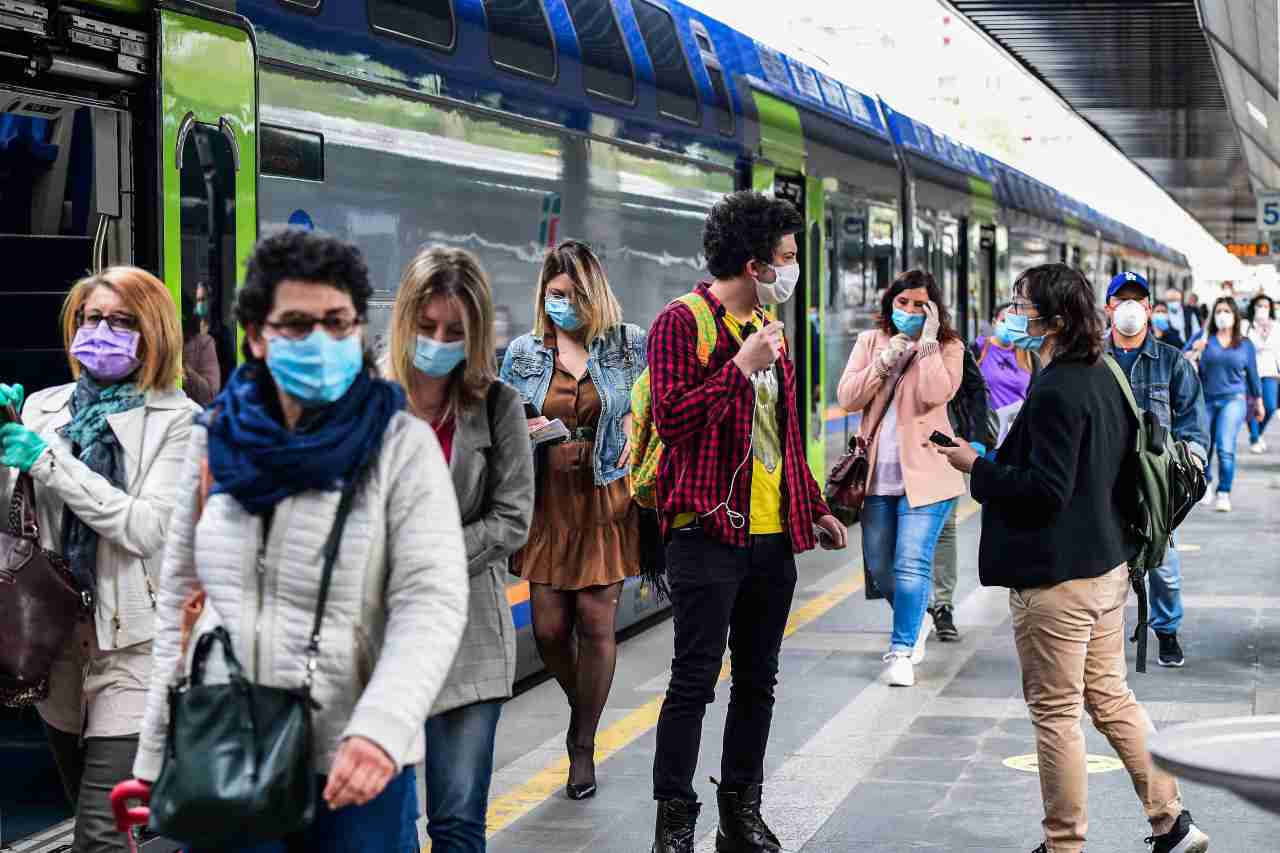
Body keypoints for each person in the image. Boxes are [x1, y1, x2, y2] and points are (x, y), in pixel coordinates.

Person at [132, 230, 470, 852]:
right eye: (296, 324)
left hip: (354, 764)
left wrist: (382, 729)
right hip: (229, 749)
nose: (321, 341)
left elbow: (432, 603)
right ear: (257, 336)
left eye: (338, 323)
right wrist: (155, 754)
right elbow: (178, 601)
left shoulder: (399, 446)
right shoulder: (214, 441)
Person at [935, 263, 1210, 853]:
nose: (1014, 315)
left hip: (1058, 577)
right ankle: (1173, 822)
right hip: (1105, 567)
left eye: (1023, 305)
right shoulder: (1103, 371)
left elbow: (1046, 489)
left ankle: (1063, 845)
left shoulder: (1060, 388)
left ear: (1055, 319)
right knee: (1110, 698)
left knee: (1056, 713)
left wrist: (976, 468)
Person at [646, 190, 845, 853]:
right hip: (705, 530)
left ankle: (741, 812)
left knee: (758, 679)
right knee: (693, 681)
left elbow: (783, 433)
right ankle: (675, 821)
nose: (791, 270)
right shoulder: (682, 323)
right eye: (786, 258)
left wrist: (812, 505)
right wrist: (737, 368)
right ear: (755, 260)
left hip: (769, 539)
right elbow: (671, 420)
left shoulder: (769, 325)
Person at [0, 266, 199, 853]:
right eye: (92, 319)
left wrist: (48, 459)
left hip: (134, 648)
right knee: (100, 821)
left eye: (121, 321)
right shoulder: (44, 407)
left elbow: (144, 527)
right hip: (51, 645)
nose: (102, 331)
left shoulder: (179, 421)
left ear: (152, 333)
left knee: (99, 834)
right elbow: (13, 521)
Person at [382, 246, 535, 852]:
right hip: (377, 641)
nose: (439, 342)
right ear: (404, 321)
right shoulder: (364, 400)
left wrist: (427, 556)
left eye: (455, 331)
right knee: (383, 827)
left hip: (467, 635)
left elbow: (512, 519)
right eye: (427, 328)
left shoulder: (497, 405)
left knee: (456, 821)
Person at [500, 239, 646, 801]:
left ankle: (581, 745)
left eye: (572, 295)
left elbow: (650, 402)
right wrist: (527, 429)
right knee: (549, 629)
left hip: (605, 494)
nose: (561, 304)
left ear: (594, 294)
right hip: (548, 497)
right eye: (553, 294)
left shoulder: (628, 346)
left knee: (595, 623)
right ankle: (582, 704)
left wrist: (635, 423)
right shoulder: (524, 352)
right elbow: (504, 415)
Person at [839, 269, 965, 687]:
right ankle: (921, 618)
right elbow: (847, 397)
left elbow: (935, 394)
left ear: (934, 310)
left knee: (912, 562)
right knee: (879, 566)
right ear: (890, 304)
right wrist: (883, 361)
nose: (909, 311)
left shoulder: (949, 347)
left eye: (919, 305)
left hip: (928, 476)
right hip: (876, 476)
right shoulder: (870, 342)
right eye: (903, 303)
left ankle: (902, 650)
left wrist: (926, 346)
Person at [1104, 271, 1209, 669]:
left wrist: (1186, 468)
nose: (1130, 307)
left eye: (1138, 300)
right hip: (1104, 476)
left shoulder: (1172, 362)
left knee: (1162, 564)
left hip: (1156, 481)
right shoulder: (1092, 360)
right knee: (1102, 563)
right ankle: (1104, 636)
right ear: (1108, 307)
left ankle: (1166, 630)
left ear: (1150, 308)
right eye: (1121, 299)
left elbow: (1194, 425)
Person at [927, 331, 992, 643]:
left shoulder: (952, 346)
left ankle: (942, 605)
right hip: (899, 453)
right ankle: (916, 603)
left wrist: (976, 435)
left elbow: (975, 389)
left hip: (944, 446)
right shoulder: (885, 344)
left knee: (946, 528)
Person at [1185, 297, 1263, 512]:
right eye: (1219, 311)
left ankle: (1224, 491)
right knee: (1203, 446)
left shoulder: (1245, 344)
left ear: (1235, 315)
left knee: (1225, 445)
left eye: (1227, 311)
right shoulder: (1204, 338)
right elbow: (1180, 362)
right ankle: (1206, 483)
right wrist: (1195, 350)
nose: (1222, 315)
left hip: (1234, 400)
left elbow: (1253, 376)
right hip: (1206, 399)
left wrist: (1258, 401)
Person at [974, 303, 1035, 449]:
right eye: (1003, 321)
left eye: (1013, 322)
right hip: (989, 434)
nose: (1008, 326)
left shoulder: (1029, 354)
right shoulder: (979, 348)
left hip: (1018, 434)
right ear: (994, 323)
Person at [1246, 293, 1278, 453]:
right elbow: (1248, 347)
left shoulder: (1276, 326)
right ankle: (1254, 438)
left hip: (1270, 370)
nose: (1263, 309)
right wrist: (1258, 331)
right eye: (1259, 306)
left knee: (1271, 406)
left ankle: (1258, 433)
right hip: (1251, 371)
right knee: (1252, 406)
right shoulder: (1247, 325)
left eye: (1266, 306)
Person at [181, 284, 222, 406]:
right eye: (198, 300)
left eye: (203, 300)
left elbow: (210, 394)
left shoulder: (205, 342)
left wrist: (183, 367)